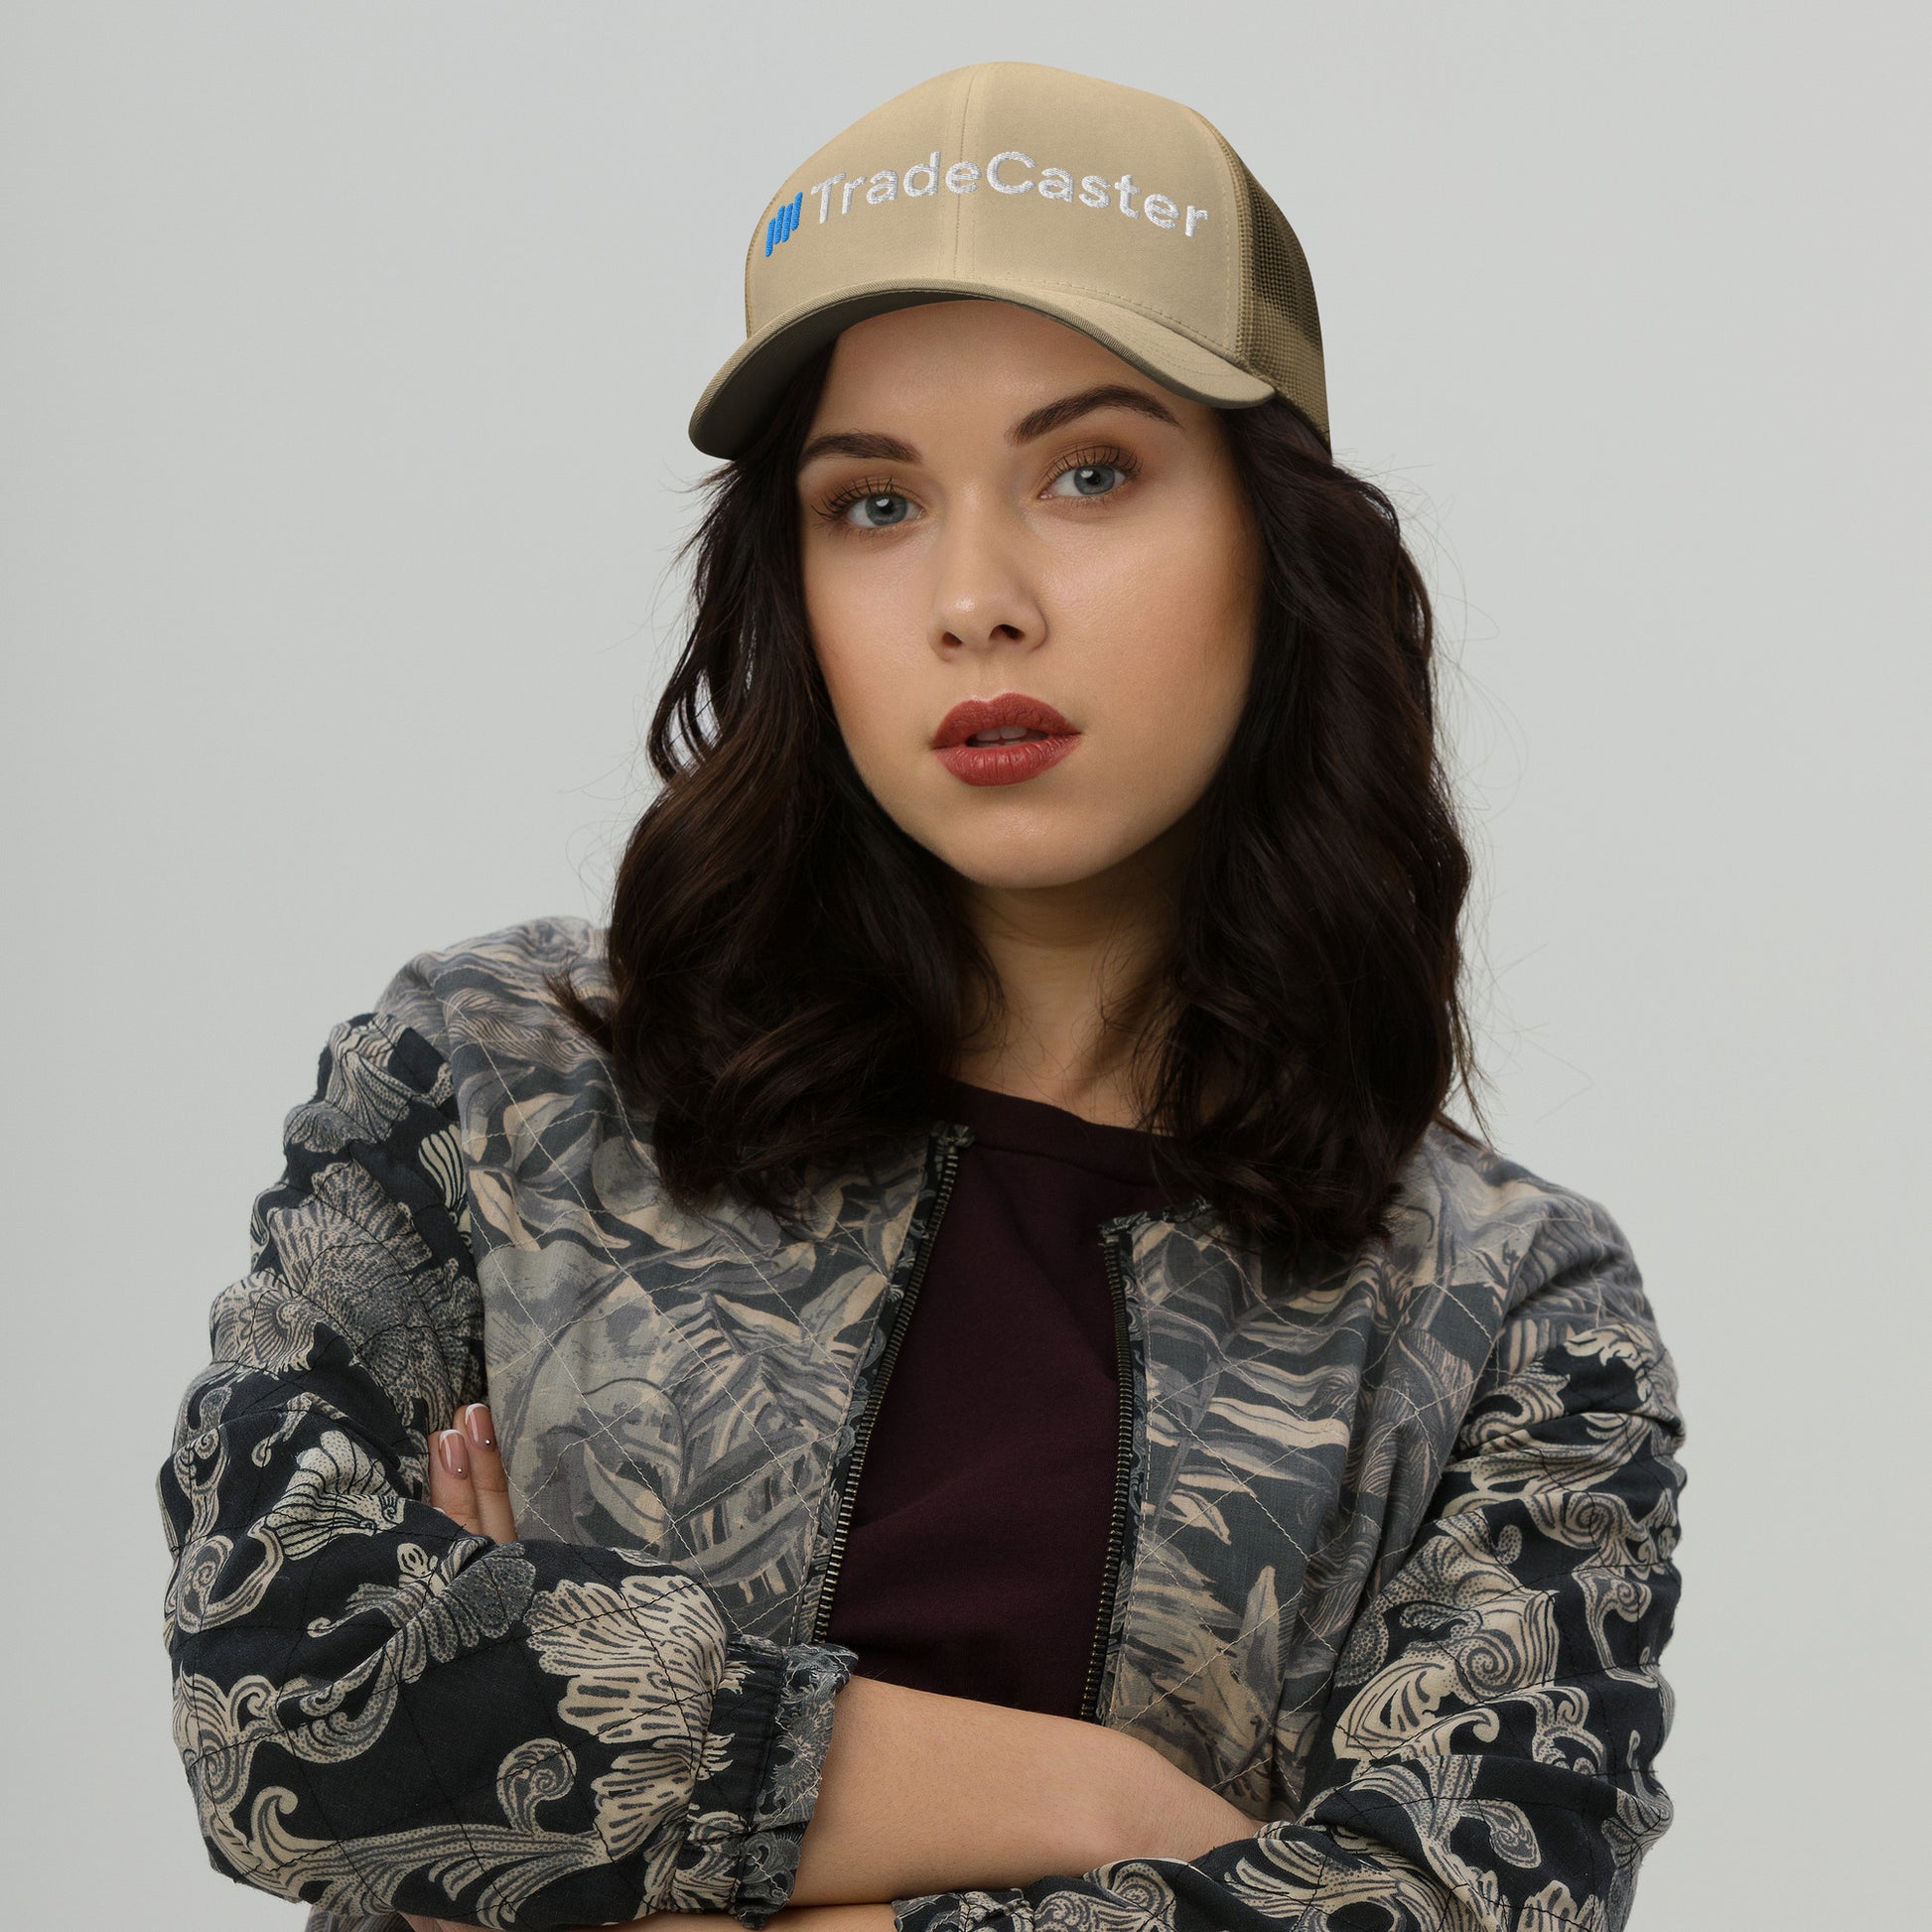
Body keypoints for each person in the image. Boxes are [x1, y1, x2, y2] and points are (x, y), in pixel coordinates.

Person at [156, 61, 1686, 1932]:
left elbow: (1457, 1900)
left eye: (1091, 472)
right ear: (788, 581)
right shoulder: (494, 1087)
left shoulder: (1501, 1311)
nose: (974, 597)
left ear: (1276, 546)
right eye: (872, 503)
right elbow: (289, 1697)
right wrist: (1110, 1801)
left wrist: (615, 1834)